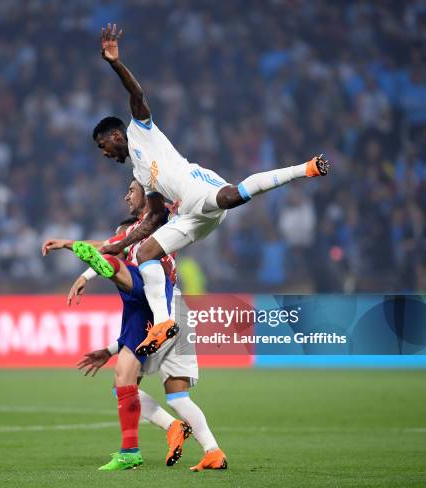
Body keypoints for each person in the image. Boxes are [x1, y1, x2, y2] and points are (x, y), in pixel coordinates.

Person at [93, 24, 330, 356]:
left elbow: (138, 95)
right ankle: (162, 323)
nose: (104, 154)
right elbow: (155, 218)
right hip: (187, 217)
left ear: (115, 136)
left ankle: (303, 168)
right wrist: (121, 245)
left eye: (104, 146)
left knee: (229, 197)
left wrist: (115, 63)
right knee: (147, 253)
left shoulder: (138, 129)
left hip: (196, 184)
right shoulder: (139, 171)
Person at [42, 180, 226, 471]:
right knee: (168, 394)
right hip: (167, 310)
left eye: (131, 189)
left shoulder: (157, 222)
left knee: (127, 381)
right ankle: (210, 449)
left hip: (161, 303)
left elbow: (110, 246)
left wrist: (78, 256)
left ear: (147, 194)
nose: (126, 195)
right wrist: (109, 348)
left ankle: (138, 447)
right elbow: (110, 245)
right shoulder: (139, 232)